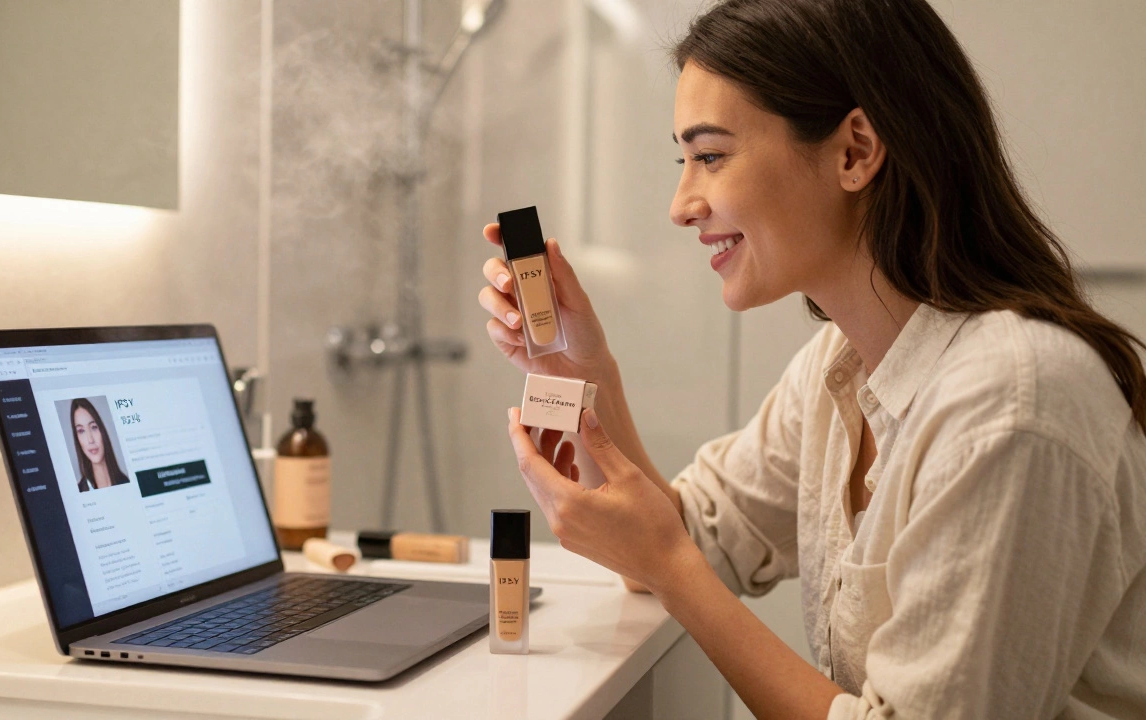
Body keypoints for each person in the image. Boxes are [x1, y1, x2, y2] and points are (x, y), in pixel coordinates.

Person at [476, 0, 1146, 717]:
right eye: (684, 160)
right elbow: (691, 535)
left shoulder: (1014, 401)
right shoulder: (841, 369)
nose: (680, 204)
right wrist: (590, 375)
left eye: (709, 157)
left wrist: (670, 567)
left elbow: (672, 558)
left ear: (854, 152)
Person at [71, 398, 131, 493]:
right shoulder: (78, 491)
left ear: (102, 430)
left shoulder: (126, 482)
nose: (90, 440)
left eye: (94, 427)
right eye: (81, 431)